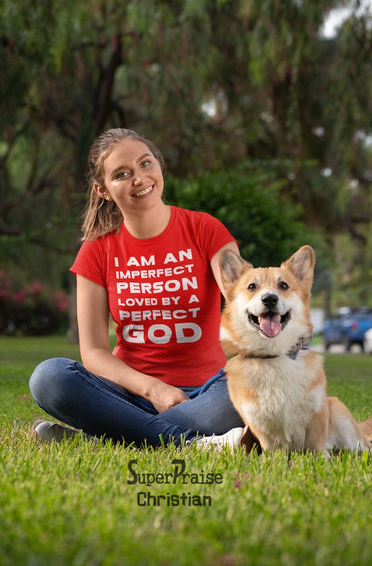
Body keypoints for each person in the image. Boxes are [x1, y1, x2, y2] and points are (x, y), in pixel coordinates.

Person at [29, 128, 244, 448]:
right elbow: (94, 353)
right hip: (125, 394)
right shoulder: (96, 249)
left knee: (245, 390)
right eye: (122, 174)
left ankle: (103, 436)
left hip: (208, 392)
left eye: (145, 163)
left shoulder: (205, 229)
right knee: (49, 378)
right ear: (103, 190)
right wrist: (153, 389)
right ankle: (186, 441)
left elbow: (241, 298)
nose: (140, 178)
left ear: (158, 164)